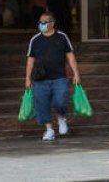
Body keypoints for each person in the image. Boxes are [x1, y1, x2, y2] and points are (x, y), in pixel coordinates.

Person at [25, 11, 81, 141]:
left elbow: (70, 55)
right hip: (40, 78)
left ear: (52, 23)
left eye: (44, 22)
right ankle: (49, 129)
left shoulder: (62, 37)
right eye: (40, 22)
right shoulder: (35, 39)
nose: (41, 24)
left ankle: (61, 118)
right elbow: (30, 60)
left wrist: (76, 73)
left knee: (61, 100)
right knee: (42, 104)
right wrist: (27, 78)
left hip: (59, 77)